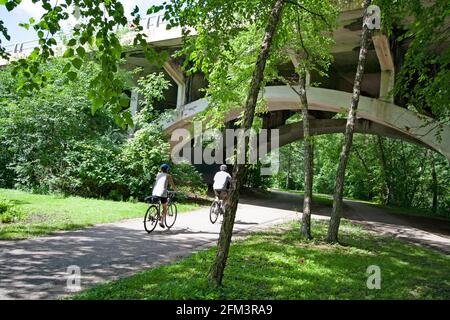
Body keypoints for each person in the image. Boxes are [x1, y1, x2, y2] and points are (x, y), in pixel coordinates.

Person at [152, 163, 177, 228]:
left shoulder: (158, 174)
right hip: (162, 193)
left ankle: (154, 214)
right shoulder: (168, 176)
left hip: (155, 191)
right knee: (165, 208)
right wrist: (176, 190)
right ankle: (161, 222)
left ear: (161, 169)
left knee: (158, 203)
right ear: (167, 170)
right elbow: (172, 185)